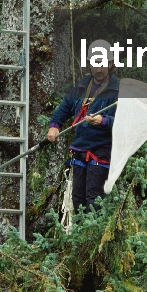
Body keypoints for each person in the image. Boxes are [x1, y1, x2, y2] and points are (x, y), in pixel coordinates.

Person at [47, 40, 119, 213]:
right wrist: (54, 126)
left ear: (110, 64)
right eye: (95, 64)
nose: (99, 69)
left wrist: (103, 120)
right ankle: (78, 237)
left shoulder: (117, 90)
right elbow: (65, 108)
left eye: (102, 64)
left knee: (93, 201)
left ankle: (91, 237)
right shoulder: (82, 86)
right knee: (77, 200)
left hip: (101, 150)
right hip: (79, 150)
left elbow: (123, 121)